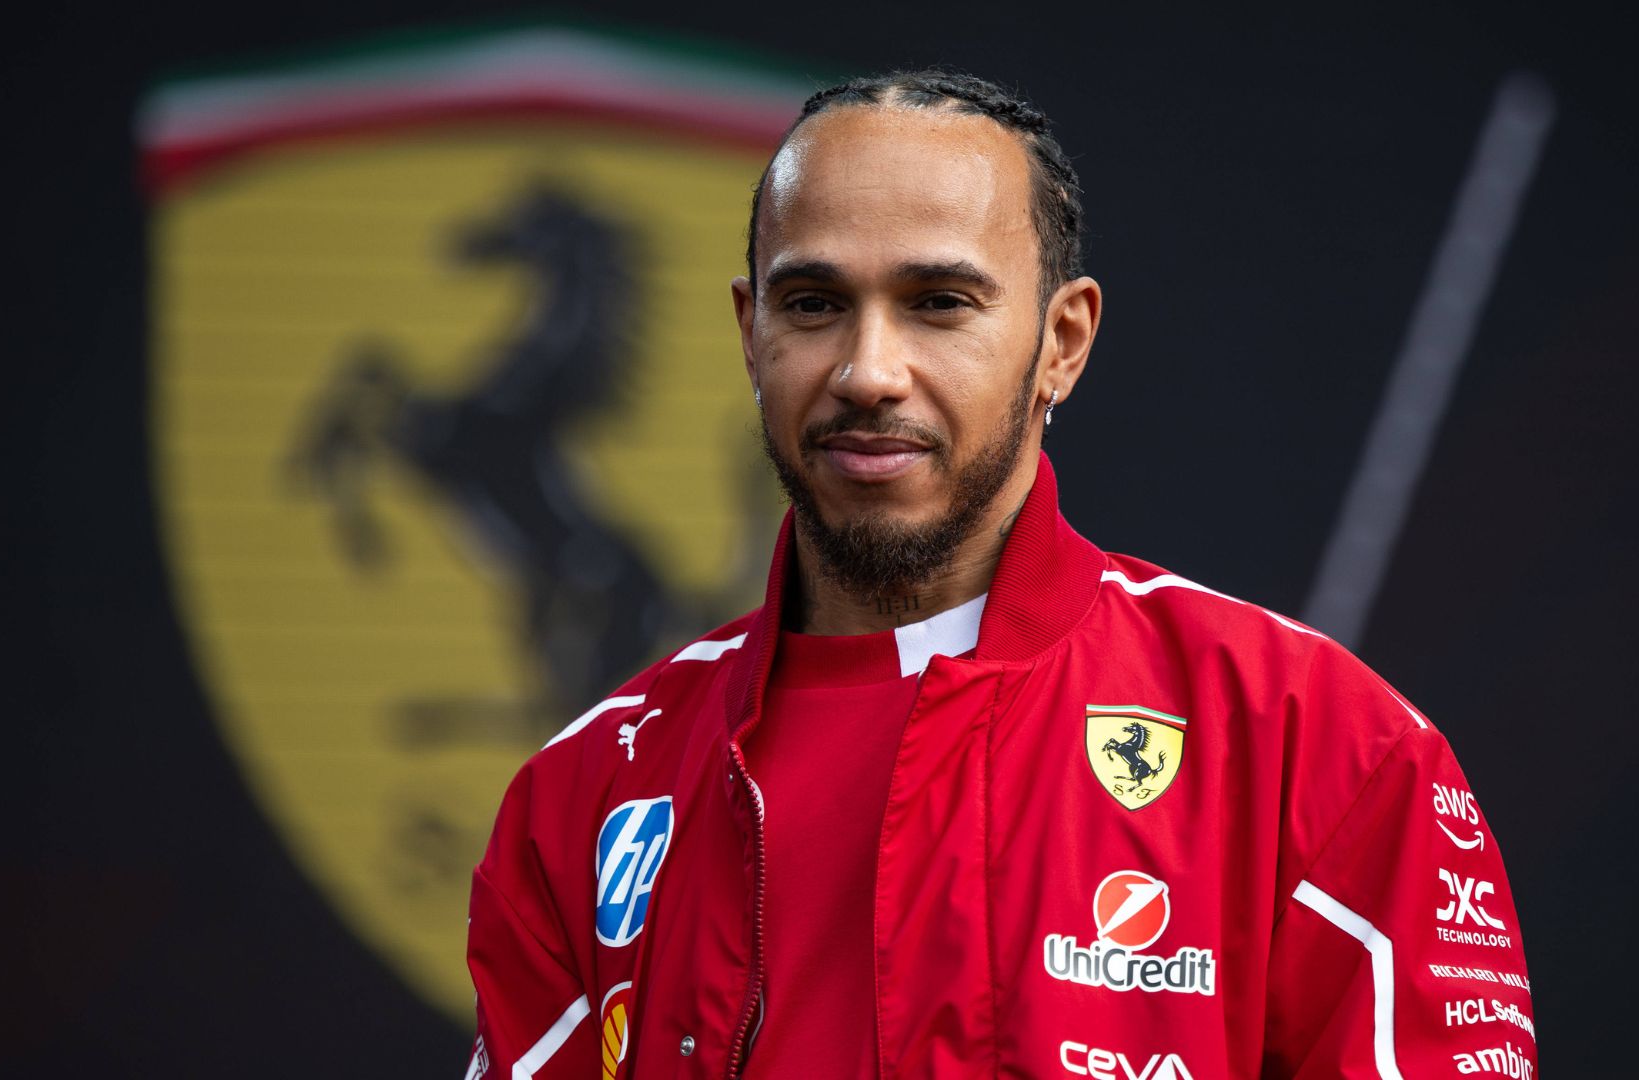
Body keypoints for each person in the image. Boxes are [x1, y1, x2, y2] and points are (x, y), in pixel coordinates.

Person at [464, 70, 1534, 1080]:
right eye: (813, 304)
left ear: (1061, 342)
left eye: (938, 303)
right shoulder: (587, 793)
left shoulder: (1322, 745)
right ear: (750, 336)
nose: (868, 372)